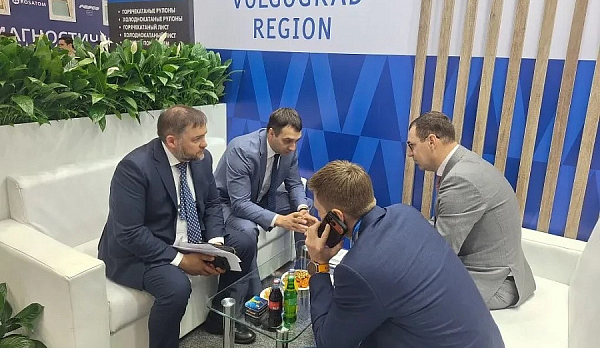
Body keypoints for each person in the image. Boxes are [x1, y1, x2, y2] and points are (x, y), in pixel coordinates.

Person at [98, 105, 257, 348]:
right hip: (140, 251)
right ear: (172, 141)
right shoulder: (134, 168)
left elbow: (212, 203)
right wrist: (181, 260)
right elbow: (129, 233)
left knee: (244, 243)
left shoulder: (201, 159)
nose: (204, 143)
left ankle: (220, 321)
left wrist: (215, 245)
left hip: (189, 238)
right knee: (176, 287)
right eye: (197, 139)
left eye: (204, 135)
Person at [305, 160, 504, 348]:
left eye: (320, 213)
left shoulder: (358, 270)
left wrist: (319, 264)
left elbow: (329, 342)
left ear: (336, 217)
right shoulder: (406, 214)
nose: (319, 219)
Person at [406, 111, 536, 309]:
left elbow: (441, 252)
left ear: (431, 141)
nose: (410, 154)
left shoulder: (461, 179)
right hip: (494, 271)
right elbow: (441, 225)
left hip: (495, 283)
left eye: (412, 145)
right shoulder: (464, 164)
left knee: (404, 296)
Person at [214, 108, 316, 290]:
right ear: (271, 133)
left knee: (306, 206)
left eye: (296, 141)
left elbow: (294, 184)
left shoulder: (289, 151)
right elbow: (240, 204)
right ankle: (253, 292)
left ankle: (303, 271)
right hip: (227, 204)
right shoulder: (241, 150)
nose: (293, 147)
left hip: (261, 198)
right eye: (288, 141)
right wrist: (279, 220)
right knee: (248, 230)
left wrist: (301, 209)